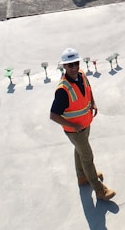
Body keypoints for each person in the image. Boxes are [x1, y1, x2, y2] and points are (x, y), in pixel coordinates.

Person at [49, 48, 116, 201]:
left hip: (85, 124)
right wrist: (73, 127)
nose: (74, 67)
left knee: (80, 151)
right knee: (87, 157)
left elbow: (88, 89)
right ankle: (99, 190)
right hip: (75, 130)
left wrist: (93, 102)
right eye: (70, 65)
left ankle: (82, 177)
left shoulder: (82, 75)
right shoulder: (62, 90)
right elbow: (53, 115)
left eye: (76, 64)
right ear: (64, 67)